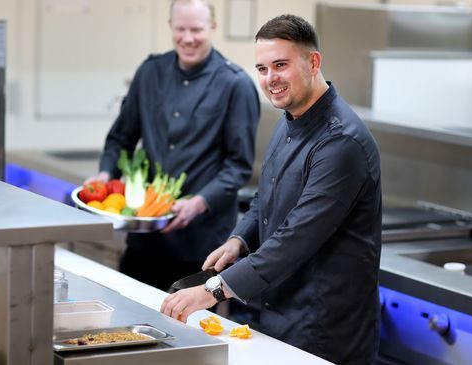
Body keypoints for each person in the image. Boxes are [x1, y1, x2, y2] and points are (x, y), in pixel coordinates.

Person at [161, 14, 382, 365]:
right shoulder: (289, 119)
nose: (270, 79)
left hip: (324, 330)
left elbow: (296, 238)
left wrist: (212, 290)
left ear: (313, 62)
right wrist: (240, 240)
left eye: (280, 65)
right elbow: (267, 195)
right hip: (277, 315)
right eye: (262, 69)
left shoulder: (341, 142)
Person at [93, 0, 260, 291]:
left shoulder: (236, 84)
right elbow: (120, 138)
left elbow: (238, 167)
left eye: (196, 29)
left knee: (191, 333)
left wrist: (198, 203)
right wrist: (106, 176)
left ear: (213, 27)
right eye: (180, 29)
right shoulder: (149, 73)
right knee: (129, 325)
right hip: (144, 238)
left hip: (202, 249)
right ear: (170, 27)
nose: (188, 38)